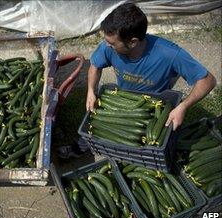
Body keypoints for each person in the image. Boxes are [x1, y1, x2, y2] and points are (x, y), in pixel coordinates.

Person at [86, 3, 216, 131]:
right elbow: (95, 65)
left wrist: (183, 106)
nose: (107, 45)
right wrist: (91, 90)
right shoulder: (108, 46)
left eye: (112, 43)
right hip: (124, 100)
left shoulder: (169, 54)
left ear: (133, 43)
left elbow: (208, 80)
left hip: (154, 108)